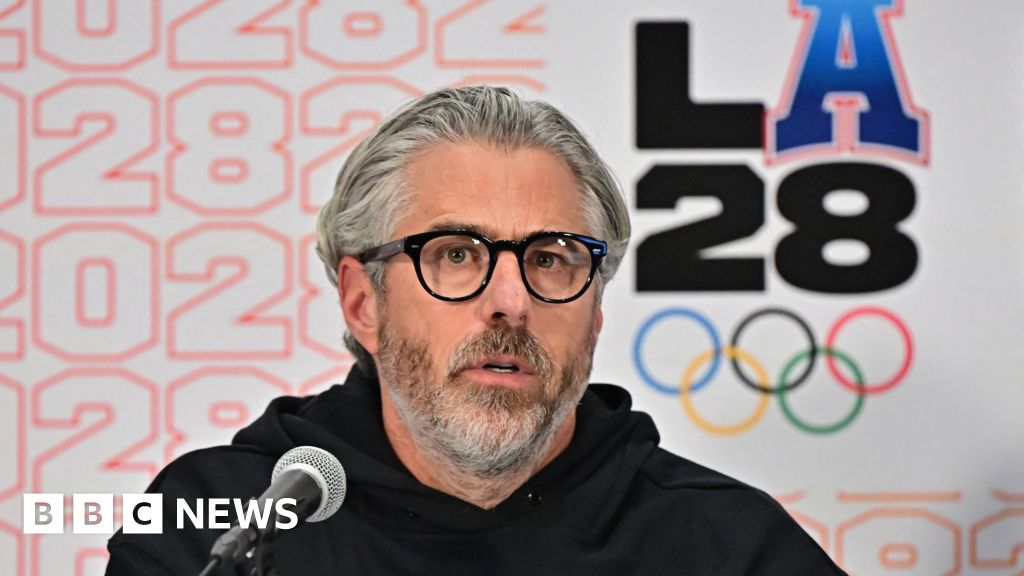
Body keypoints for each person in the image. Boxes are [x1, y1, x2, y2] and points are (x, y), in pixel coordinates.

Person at [106, 86, 845, 574]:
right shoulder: (223, 524)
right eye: (456, 255)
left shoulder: (728, 547)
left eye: (550, 259)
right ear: (362, 303)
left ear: (595, 311)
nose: (511, 302)